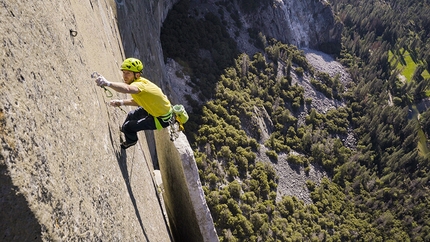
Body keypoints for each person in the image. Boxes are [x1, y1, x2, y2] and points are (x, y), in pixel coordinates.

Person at [95, 58, 173, 149]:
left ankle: (131, 141)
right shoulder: (138, 82)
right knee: (131, 115)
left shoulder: (139, 85)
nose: (125, 76)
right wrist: (121, 102)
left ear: (137, 75)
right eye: (124, 72)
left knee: (129, 127)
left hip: (162, 119)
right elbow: (138, 101)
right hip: (154, 109)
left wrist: (108, 83)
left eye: (128, 73)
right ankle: (126, 130)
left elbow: (127, 89)